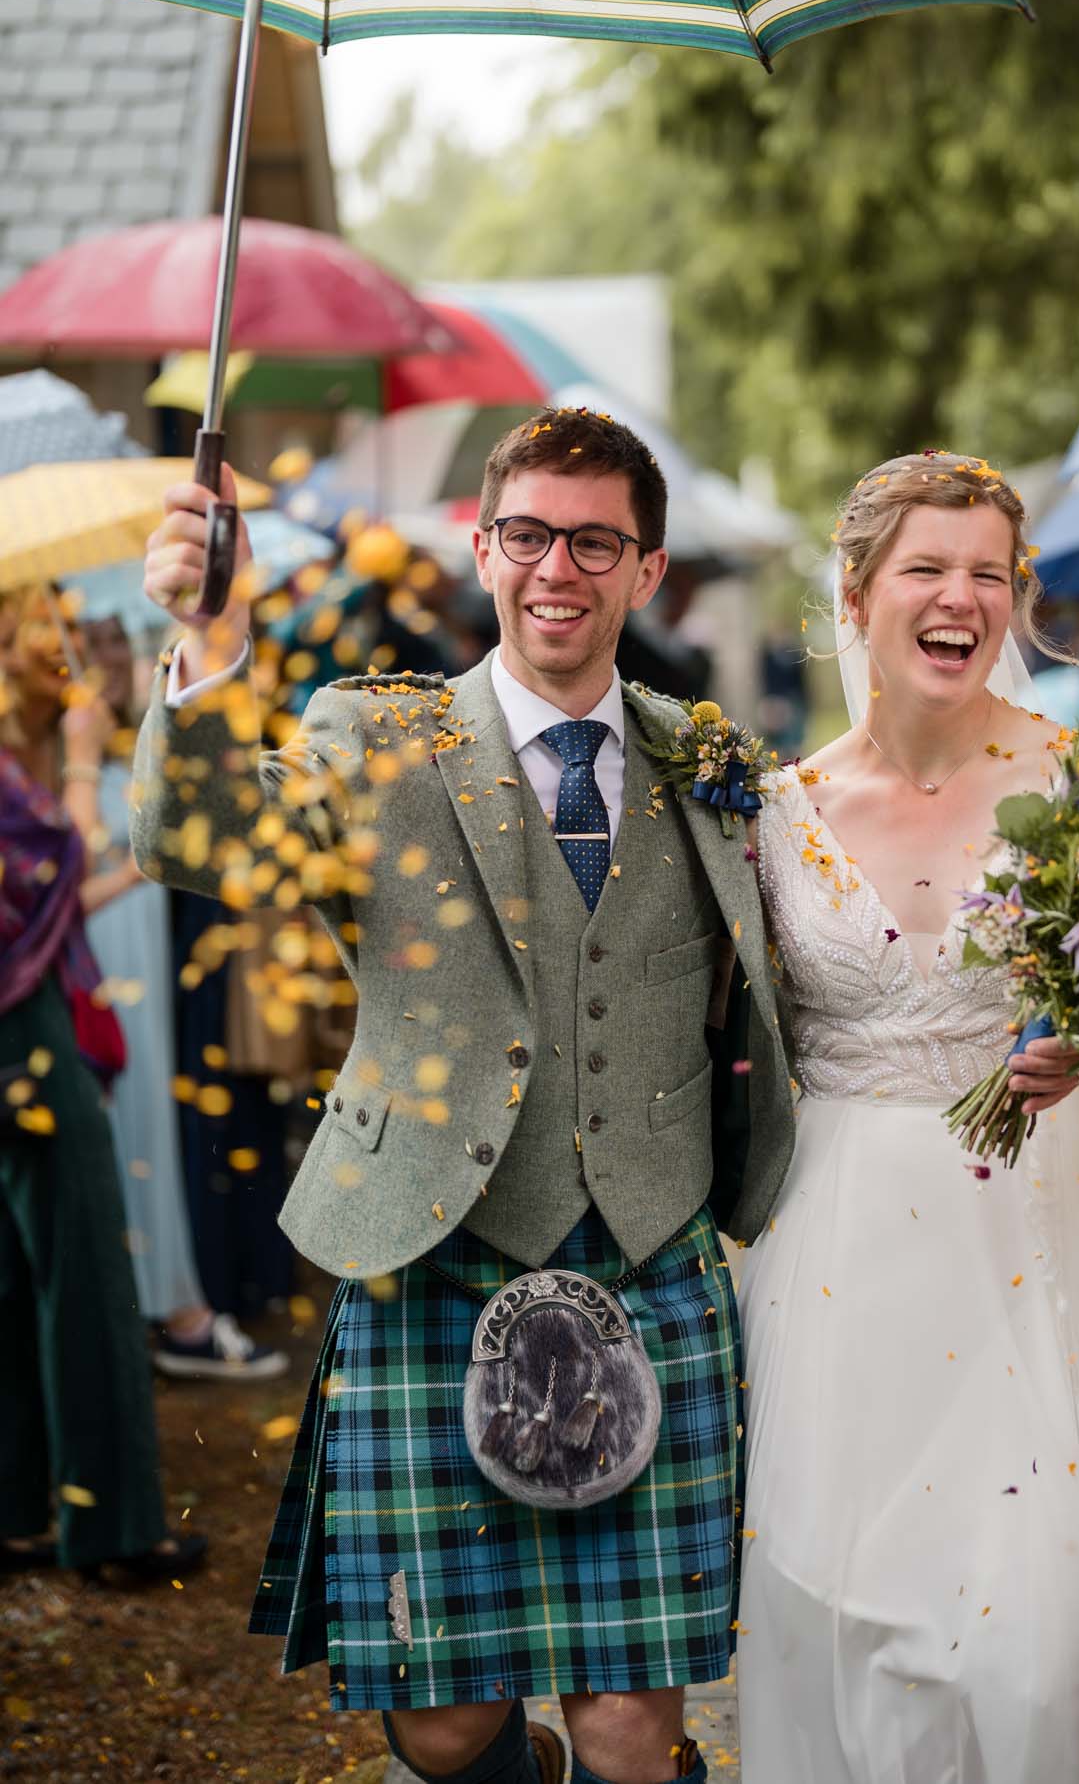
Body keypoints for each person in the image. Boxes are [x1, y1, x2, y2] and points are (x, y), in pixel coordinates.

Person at [133, 409, 795, 1784]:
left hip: (654, 1249)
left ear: (649, 570)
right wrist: (211, 645)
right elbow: (195, 837)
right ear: (484, 550)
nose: (561, 568)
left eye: (596, 541)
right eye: (532, 535)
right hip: (432, 1241)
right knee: (445, 1726)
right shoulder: (376, 738)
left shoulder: (710, 760)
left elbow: (819, 964)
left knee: (629, 1723)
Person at [736, 453, 1079, 1784]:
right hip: (840, 1256)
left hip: (1041, 1247)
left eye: (989, 572)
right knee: (850, 1612)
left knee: (1054, 1645)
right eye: (928, 568)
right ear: (860, 594)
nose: (962, 596)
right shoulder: (777, 810)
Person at [0, 588, 205, 1580]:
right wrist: (83, 754)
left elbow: (57, 893)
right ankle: (117, 1528)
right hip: (20, 1034)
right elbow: (49, 874)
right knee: (84, 1264)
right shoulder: (14, 771)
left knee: (13, 1272)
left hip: (21, 1020)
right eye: (47, 635)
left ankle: (17, 1506)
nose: (69, 654)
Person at [82, 613, 288, 1378]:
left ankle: (172, 1295)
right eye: (95, 641)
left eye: (113, 642)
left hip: (156, 945)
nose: (104, 655)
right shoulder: (68, 752)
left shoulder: (120, 733)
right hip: (103, 953)